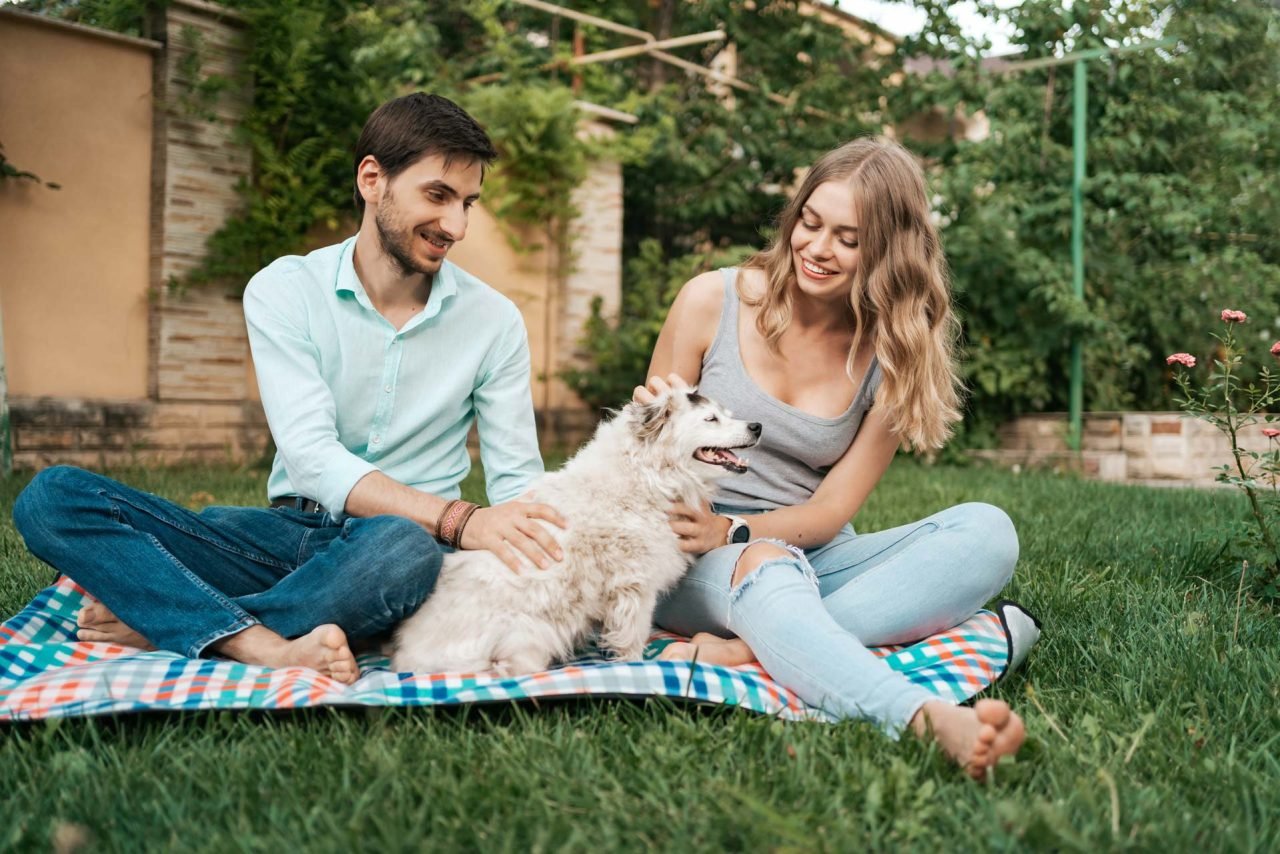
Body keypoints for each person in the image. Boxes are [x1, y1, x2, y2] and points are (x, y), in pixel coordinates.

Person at [12, 93, 565, 685]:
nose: (456, 226)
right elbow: (311, 457)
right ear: (372, 179)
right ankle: (261, 634)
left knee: (403, 551)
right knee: (52, 498)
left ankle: (187, 622)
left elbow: (518, 486)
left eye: (467, 203)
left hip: (402, 552)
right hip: (281, 536)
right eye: (438, 195)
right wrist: (462, 519)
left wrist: (516, 538)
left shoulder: (494, 321)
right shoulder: (285, 290)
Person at [636, 137, 1025, 779]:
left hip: (807, 550)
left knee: (989, 532)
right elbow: (647, 458)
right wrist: (659, 439)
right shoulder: (712, 300)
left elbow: (831, 511)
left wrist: (736, 530)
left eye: (849, 239)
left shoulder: (892, 353)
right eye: (810, 223)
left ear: (889, 253)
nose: (817, 249)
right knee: (767, 566)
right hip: (690, 550)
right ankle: (923, 719)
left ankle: (755, 650)